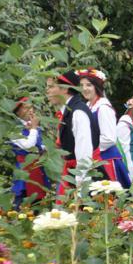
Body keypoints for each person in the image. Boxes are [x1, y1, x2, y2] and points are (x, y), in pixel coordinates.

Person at [46, 70, 100, 202]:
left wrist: (81, 189)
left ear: (65, 89)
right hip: (72, 173)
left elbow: (84, 153)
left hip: (82, 177)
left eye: (51, 87)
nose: (47, 91)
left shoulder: (78, 113)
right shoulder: (70, 111)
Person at [78, 68, 131, 188]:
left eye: (88, 85)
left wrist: (87, 148)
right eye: (82, 85)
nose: (84, 89)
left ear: (97, 87)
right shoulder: (88, 106)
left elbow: (109, 138)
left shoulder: (103, 108)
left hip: (106, 161)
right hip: (94, 160)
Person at [10, 97, 50, 209]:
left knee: (38, 199)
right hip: (24, 167)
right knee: (22, 197)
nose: (30, 111)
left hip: (37, 166)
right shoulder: (14, 129)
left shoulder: (32, 126)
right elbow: (29, 146)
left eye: (31, 107)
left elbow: (38, 145)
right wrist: (34, 128)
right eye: (26, 108)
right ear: (18, 112)